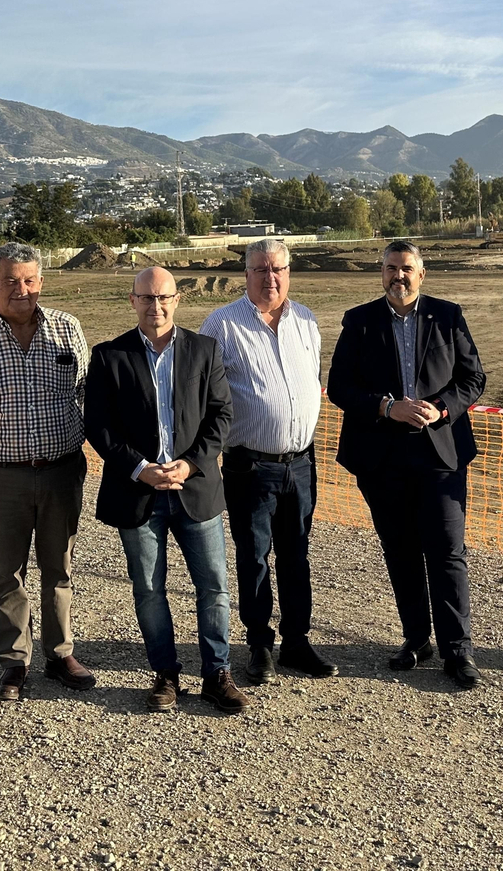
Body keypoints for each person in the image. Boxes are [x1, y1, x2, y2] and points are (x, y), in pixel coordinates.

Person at [326, 240, 487, 688]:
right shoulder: (359, 322)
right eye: (391, 268)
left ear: (422, 273)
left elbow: (474, 378)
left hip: (439, 456)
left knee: (447, 552)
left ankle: (459, 651)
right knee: (400, 551)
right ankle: (417, 639)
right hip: (382, 458)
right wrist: (385, 406)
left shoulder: (448, 315)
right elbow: (339, 385)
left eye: (407, 269)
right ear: (381, 273)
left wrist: (442, 407)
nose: (399, 276)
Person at [85, 266, 245, 714]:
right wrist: (139, 468)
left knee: (213, 586)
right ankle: (166, 675)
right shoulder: (108, 356)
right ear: (132, 301)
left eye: (163, 298)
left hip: (195, 490)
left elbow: (221, 417)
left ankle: (217, 674)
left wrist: (190, 464)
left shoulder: (205, 350)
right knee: (148, 589)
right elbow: (98, 426)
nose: (155, 306)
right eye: (146, 298)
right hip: (140, 493)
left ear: (177, 300)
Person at [0, 242, 94, 702]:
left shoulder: (67, 331)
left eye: (28, 281)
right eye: (9, 281)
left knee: (58, 567)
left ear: (41, 282)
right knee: (7, 572)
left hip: (62, 471)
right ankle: (13, 661)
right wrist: (1, 440)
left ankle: (60, 652)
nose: (20, 290)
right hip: (0, 476)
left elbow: (83, 390)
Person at [199, 238, 336, 686]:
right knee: (254, 556)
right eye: (260, 269)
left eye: (277, 268)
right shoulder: (221, 325)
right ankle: (259, 644)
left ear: (289, 271)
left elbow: (311, 382)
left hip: (300, 463)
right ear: (246, 275)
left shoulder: (308, 322)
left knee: (297, 554)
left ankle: (297, 641)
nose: (269, 277)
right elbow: (205, 395)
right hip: (249, 466)